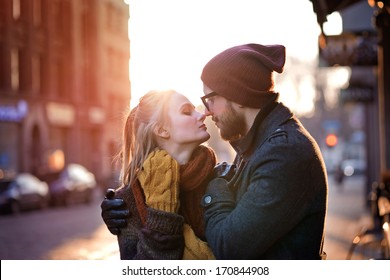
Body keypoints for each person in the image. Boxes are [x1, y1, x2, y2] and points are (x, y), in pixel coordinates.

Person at [102, 43, 328, 260]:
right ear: (161, 129)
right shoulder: (253, 147)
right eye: (187, 110)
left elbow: (230, 248)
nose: (205, 112)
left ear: (238, 95)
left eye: (209, 99)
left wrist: (214, 186)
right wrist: (122, 209)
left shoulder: (278, 153)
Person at [106, 89, 216, 259]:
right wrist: (162, 220)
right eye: (187, 112)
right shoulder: (129, 199)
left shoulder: (220, 177)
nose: (202, 115)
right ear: (162, 130)